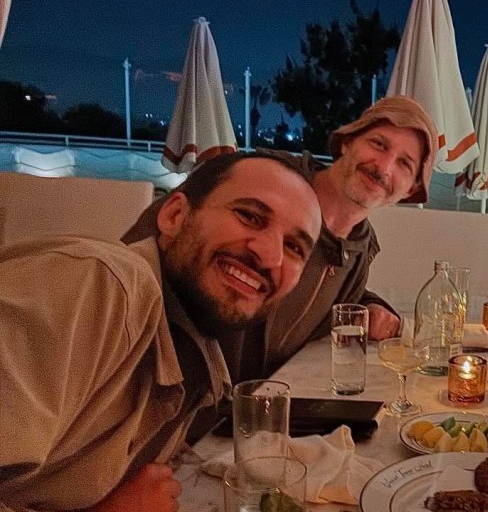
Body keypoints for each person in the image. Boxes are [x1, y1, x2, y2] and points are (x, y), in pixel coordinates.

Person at [0, 152, 322, 512]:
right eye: (249, 215)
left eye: (294, 247)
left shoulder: (196, 357)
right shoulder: (100, 287)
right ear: (173, 214)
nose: (268, 254)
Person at [124, 95, 439, 382]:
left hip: (252, 411)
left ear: (410, 190)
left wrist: (370, 305)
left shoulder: (358, 250)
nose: (383, 167)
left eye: (404, 164)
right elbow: (144, 249)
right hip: (166, 394)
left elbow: (323, 298)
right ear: (347, 143)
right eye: (379, 144)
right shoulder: (264, 178)